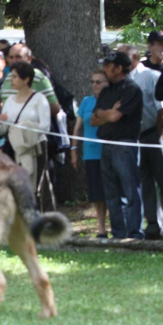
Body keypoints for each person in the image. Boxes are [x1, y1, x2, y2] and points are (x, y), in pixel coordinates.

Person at [92, 51, 144, 239]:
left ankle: (134, 233)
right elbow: (93, 119)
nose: (104, 69)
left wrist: (105, 114)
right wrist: (108, 113)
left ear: (119, 68)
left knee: (129, 190)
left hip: (125, 145)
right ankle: (118, 233)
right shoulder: (106, 91)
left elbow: (114, 116)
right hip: (106, 144)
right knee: (111, 192)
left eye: (108, 65)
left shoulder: (132, 90)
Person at [120, 44, 163, 240]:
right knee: (145, 183)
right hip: (135, 138)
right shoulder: (123, 80)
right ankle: (153, 225)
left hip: (154, 136)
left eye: (122, 58)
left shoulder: (150, 76)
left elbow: (161, 109)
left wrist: (158, 135)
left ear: (135, 57)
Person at [0, 62, 50, 187]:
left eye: (15, 76)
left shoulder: (39, 99)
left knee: (37, 184)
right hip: (14, 149)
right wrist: (1, 123)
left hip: (35, 148)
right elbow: (2, 130)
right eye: (10, 76)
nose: (11, 79)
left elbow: (45, 127)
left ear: (26, 79)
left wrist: (24, 131)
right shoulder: (9, 100)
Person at [71, 70, 109, 238]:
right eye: (92, 82)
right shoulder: (86, 102)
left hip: (108, 152)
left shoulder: (111, 100)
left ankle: (116, 224)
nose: (95, 85)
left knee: (111, 190)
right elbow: (77, 128)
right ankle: (101, 227)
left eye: (99, 82)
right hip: (90, 153)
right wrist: (73, 150)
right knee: (96, 193)